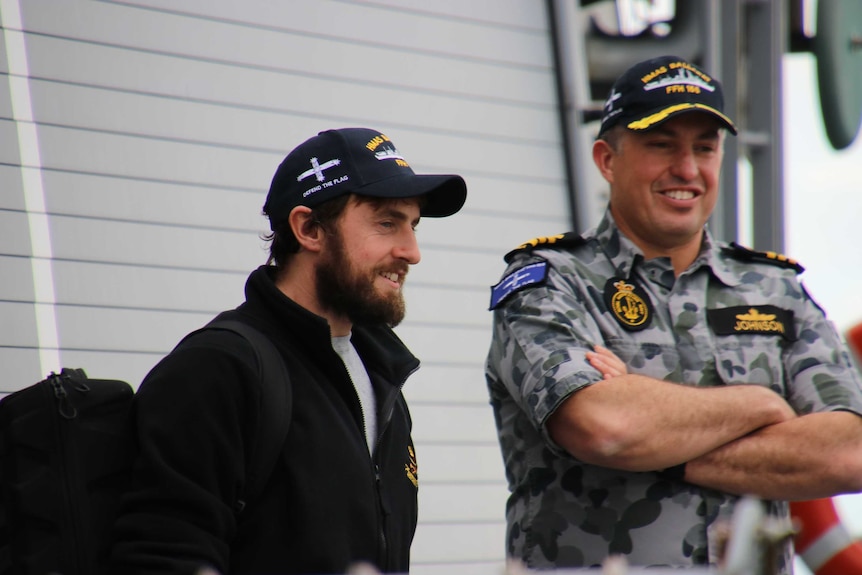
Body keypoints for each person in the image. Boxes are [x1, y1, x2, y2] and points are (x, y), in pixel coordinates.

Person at [485, 55, 862, 572]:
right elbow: (604, 428)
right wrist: (763, 403)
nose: (686, 169)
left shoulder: (776, 291)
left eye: (704, 148)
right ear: (607, 159)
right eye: (661, 145)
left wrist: (659, 440)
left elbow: (848, 454)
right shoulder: (549, 281)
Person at [110, 127, 467, 574]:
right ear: (309, 228)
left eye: (412, 226)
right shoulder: (220, 368)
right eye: (386, 222)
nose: (412, 252)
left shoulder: (382, 375)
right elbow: (164, 557)